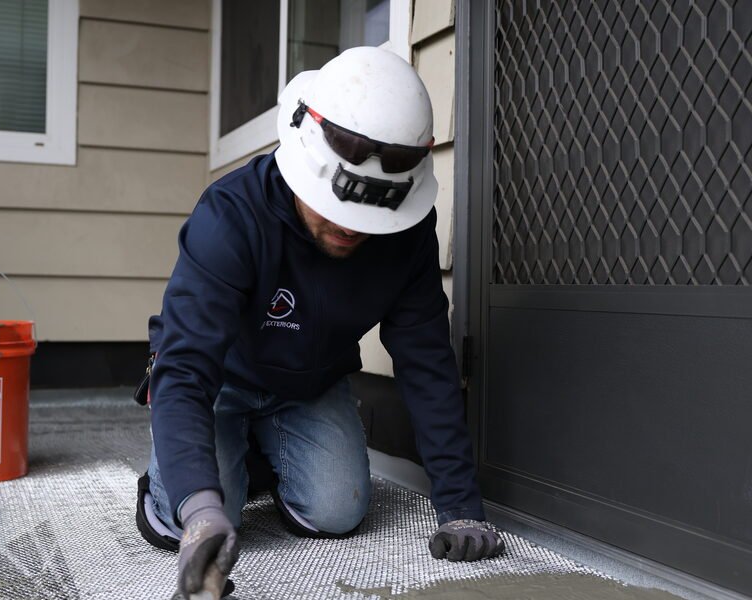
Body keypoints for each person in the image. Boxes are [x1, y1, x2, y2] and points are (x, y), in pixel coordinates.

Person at [135, 46, 505, 599]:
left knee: (337, 512)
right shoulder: (230, 217)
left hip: (309, 384)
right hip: (219, 381)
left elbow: (426, 361)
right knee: (198, 515)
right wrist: (200, 512)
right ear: (303, 164)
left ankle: (254, 456)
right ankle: (183, 481)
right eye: (332, 208)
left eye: (366, 217)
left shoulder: (405, 233)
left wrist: (459, 507)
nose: (349, 229)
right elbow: (185, 369)